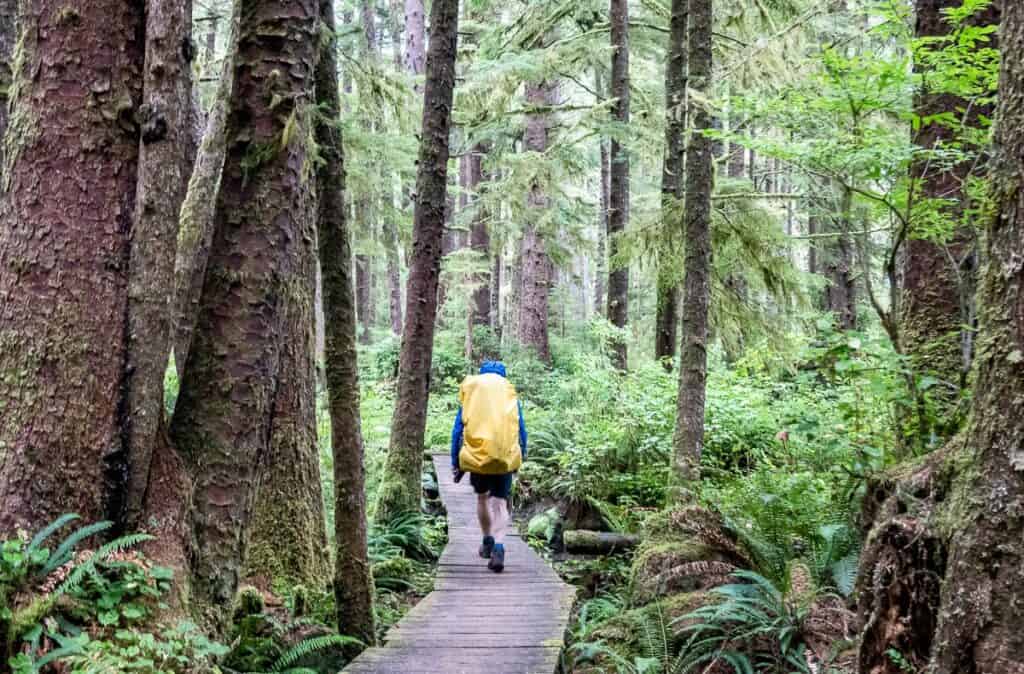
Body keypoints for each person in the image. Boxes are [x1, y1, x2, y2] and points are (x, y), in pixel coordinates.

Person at [450, 361, 527, 573]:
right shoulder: (508, 393)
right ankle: (500, 546)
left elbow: (458, 428)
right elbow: (520, 427)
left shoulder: (474, 393)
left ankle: (487, 541)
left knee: (482, 498)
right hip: (503, 458)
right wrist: (521, 455)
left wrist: (456, 462)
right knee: (500, 503)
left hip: (478, 458)